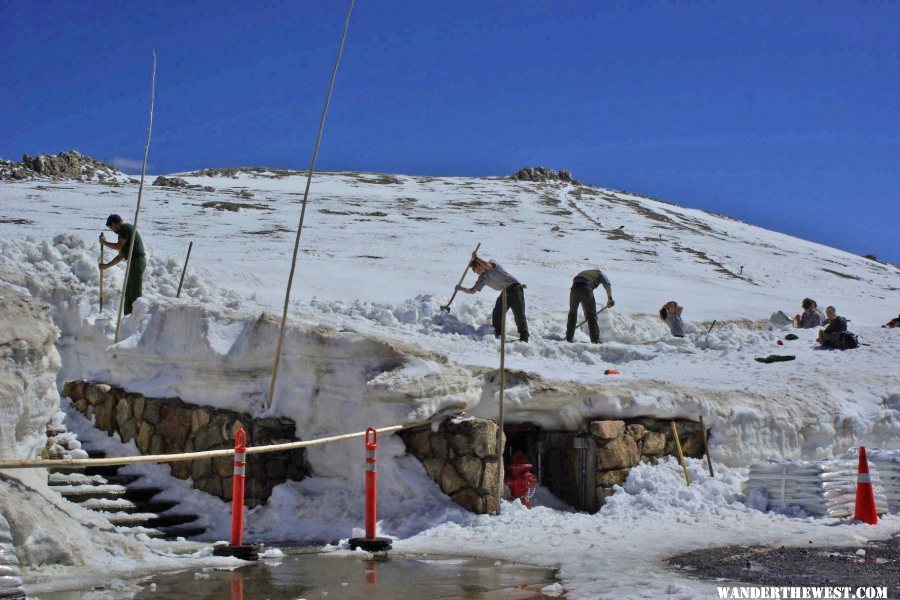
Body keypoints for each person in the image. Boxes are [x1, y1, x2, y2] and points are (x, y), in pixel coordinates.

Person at [456, 254, 529, 342]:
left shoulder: (491, 263)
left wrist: (477, 258)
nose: (475, 272)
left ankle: (524, 337)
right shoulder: (482, 278)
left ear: (478, 265)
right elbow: (472, 290)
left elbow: (488, 266)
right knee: (497, 312)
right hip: (505, 292)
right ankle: (498, 334)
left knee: (519, 314)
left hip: (515, 289)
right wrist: (460, 289)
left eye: (475, 269)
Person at [99, 213, 146, 315]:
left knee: (134, 291)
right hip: (133, 262)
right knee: (129, 292)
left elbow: (118, 246)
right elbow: (120, 255)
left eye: (111, 227)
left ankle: (137, 316)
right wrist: (106, 266)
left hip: (137, 261)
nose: (112, 230)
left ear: (114, 223)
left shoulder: (124, 228)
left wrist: (104, 243)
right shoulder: (125, 233)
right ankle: (128, 317)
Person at [565, 269, 614, 343]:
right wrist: (610, 299)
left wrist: (586, 313)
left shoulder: (583, 273)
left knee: (572, 313)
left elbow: (581, 296)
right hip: (586, 288)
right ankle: (595, 341)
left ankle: (568, 338)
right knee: (592, 316)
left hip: (574, 288)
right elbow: (607, 284)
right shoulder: (600, 274)